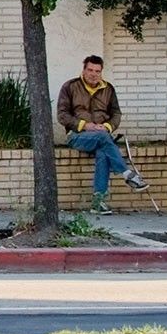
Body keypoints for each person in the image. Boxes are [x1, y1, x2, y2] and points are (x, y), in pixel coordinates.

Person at [56, 54, 149, 214]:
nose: (94, 74)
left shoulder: (108, 89)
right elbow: (62, 115)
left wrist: (107, 126)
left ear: (101, 72)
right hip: (77, 135)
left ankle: (98, 203)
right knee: (104, 139)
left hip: (102, 136)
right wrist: (85, 126)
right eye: (90, 70)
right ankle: (127, 173)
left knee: (103, 153)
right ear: (84, 70)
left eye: (97, 71)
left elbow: (116, 114)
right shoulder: (70, 87)